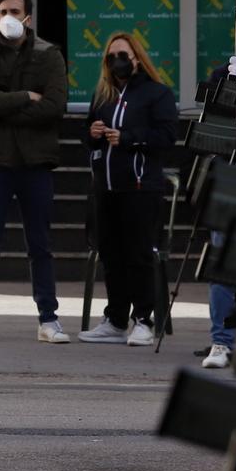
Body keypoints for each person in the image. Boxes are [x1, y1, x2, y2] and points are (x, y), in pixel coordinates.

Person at [0, 0, 70, 345]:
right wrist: (24, 97)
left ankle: (48, 319)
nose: (8, 16)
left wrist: (6, 111)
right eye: (3, 11)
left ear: (28, 18)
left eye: (15, 11)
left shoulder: (47, 55)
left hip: (35, 160)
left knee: (40, 243)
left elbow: (54, 105)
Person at [77, 30, 177, 347]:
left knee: (138, 254)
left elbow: (166, 137)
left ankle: (143, 318)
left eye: (123, 56)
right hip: (106, 187)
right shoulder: (103, 95)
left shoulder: (156, 93)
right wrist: (92, 132)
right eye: (111, 57)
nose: (117, 62)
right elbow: (89, 135)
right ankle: (116, 318)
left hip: (140, 187)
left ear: (136, 59)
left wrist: (129, 137)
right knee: (111, 253)